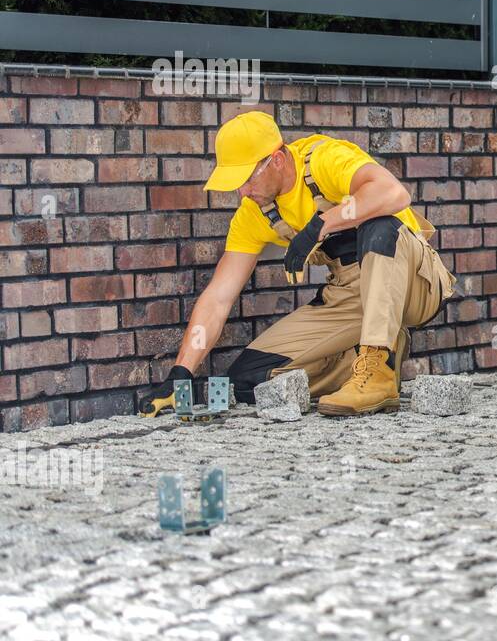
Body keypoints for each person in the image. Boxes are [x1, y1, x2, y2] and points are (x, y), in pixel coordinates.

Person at [136, 111, 455, 417]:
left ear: (275, 160)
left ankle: (378, 371)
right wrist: (181, 371)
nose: (242, 192)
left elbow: (393, 193)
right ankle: (365, 361)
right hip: (350, 296)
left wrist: (319, 226)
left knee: (380, 226)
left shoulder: (324, 160)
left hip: (414, 282)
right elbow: (218, 298)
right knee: (248, 380)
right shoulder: (253, 213)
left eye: (246, 179)